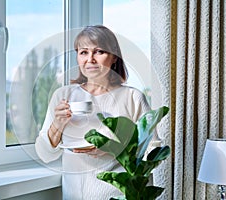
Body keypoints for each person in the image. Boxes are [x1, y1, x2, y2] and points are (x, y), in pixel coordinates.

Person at [35, 25, 152, 200]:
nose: (90, 59)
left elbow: (153, 150)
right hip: (74, 195)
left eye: (99, 52)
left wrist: (115, 149)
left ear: (114, 57)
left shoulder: (132, 97)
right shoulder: (63, 95)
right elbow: (44, 154)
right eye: (83, 52)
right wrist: (57, 125)